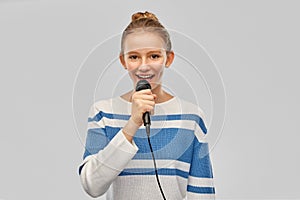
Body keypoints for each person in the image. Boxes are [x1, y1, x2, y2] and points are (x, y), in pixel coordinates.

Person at [78, 11, 216, 199]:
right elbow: (92, 185)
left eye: (153, 56)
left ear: (168, 58)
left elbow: (202, 193)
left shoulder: (191, 117)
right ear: (123, 61)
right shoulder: (103, 113)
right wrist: (132, 123)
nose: (144, 66)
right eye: (134, 57)